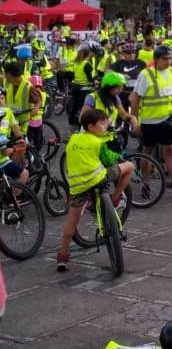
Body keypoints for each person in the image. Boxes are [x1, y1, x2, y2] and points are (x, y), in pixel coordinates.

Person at [56, 109, 135, 272]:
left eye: (106, 122)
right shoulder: (97, 143)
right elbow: (108, 159)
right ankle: (116, 196)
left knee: (71, 222)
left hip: (77, 185)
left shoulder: (74, 139)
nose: (106, 125)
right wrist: (116, 156)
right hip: (97, 178)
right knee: (129, 167)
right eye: (102, 123)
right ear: (91, 127)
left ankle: (62, 256)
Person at [129, 45, 172, 196]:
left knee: (170, 151)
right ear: (156, 59)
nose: (168, 62)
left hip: (169, 119)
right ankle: (145, 183)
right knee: (147, 152)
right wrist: (135, 121)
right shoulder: (146, 74)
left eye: (170, 58)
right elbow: (135, 99)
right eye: (164, 59)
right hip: (150, 121)